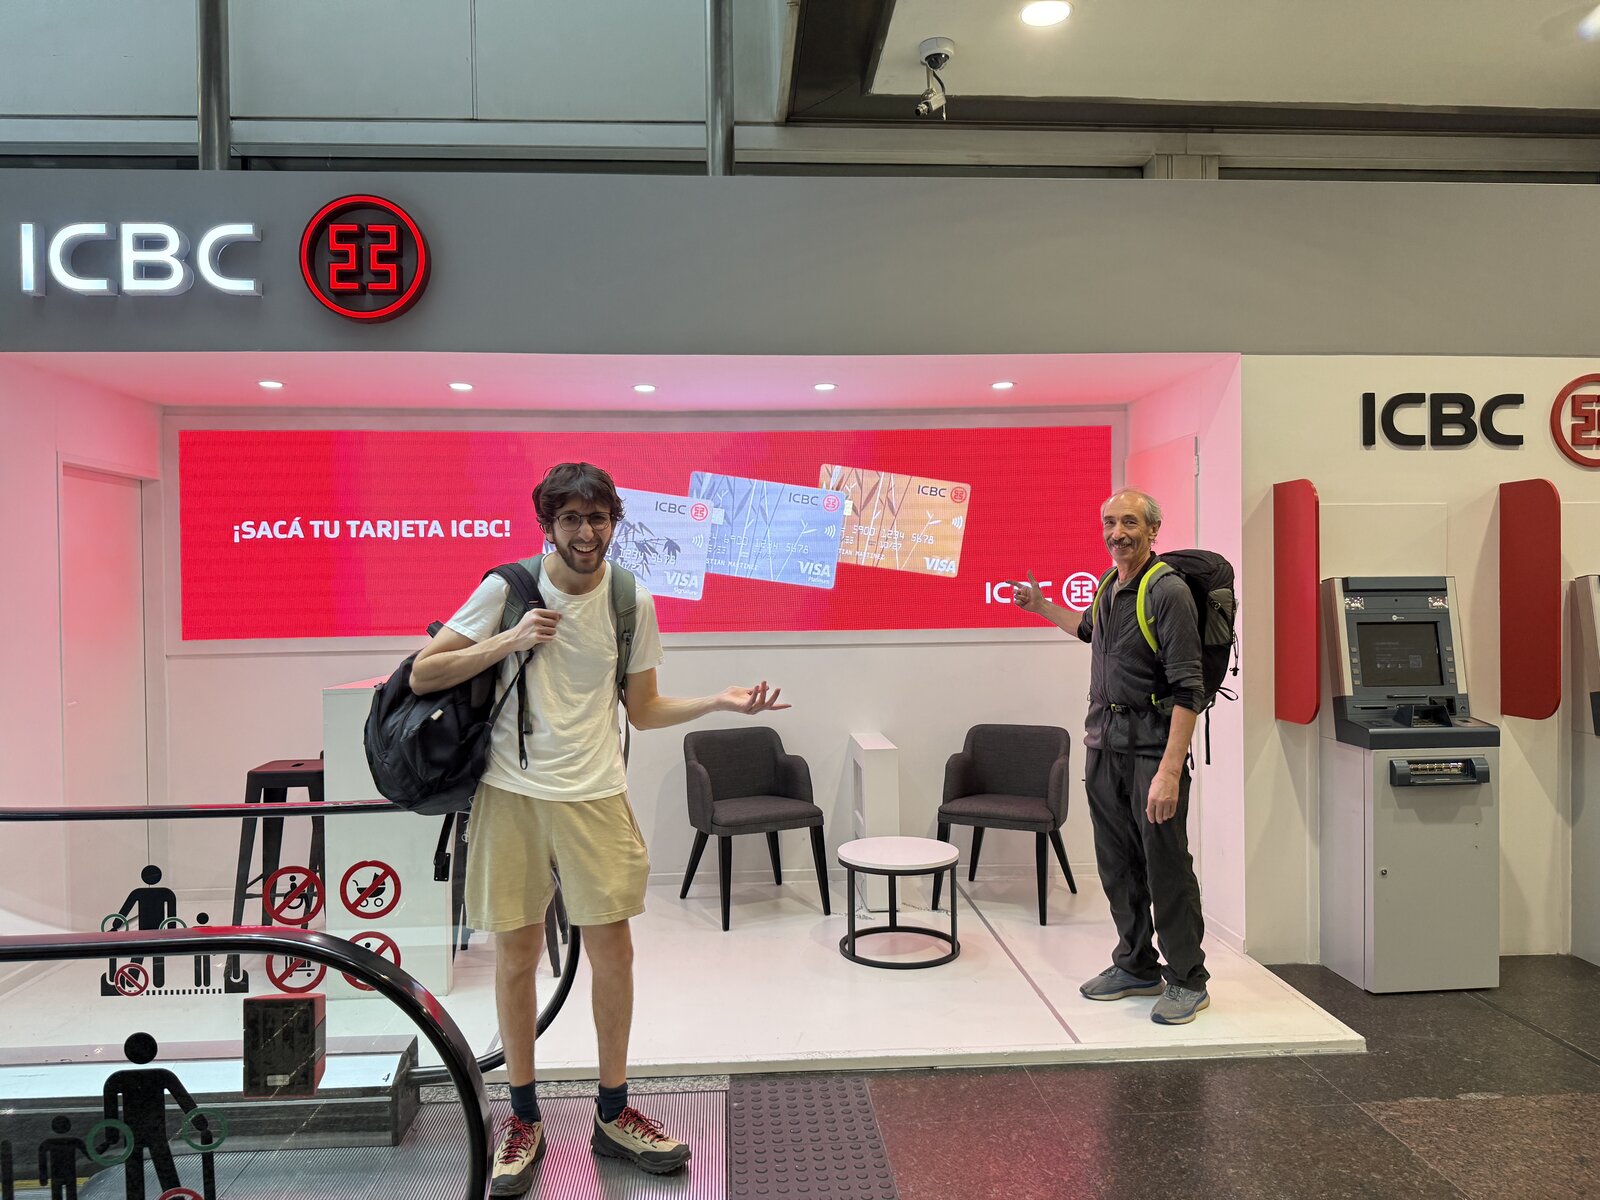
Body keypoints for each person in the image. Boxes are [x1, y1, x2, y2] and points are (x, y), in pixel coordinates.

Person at [410, 462, 790, 1195]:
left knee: (613, 954)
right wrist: (510, 639)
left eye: (599, 519)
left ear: (614, 522)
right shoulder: (508, 588)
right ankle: (521, 1117)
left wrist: (719, 701)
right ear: (546, 525)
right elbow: (428, 672)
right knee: (518, 955)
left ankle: (613, 1113)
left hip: (596, 796)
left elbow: (641, 710)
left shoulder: (628, 598)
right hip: (512, 795)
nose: (586, 534)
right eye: (571, 520)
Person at [1009, 488, 1210, 1025]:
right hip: (1104, 744)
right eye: (1109, 522)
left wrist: (1169, 771)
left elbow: (1190, 689)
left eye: (1128, 522)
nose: (1116, 532)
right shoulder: (1108, 584)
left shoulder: (1165, 591)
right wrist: (1041, 605)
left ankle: (1188, 979)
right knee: (1117, 865)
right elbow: (1090, 632)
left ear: (1152, 530)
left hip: (1151, 750)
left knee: (1165, 864)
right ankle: (1136, 964)